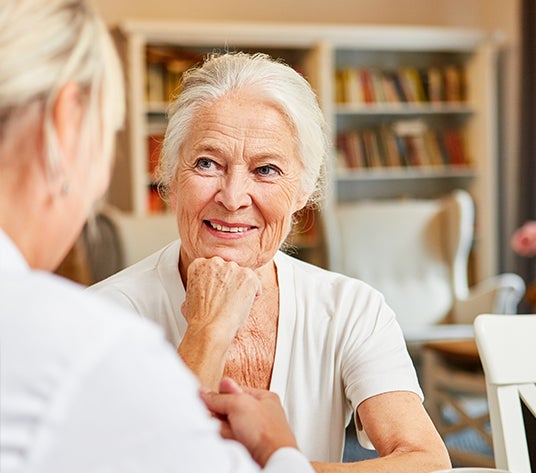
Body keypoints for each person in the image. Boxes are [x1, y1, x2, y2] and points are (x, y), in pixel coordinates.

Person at [89, 51, 451, 472]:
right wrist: (208, 330)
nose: (233, 196)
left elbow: (426, 463)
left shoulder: (352, 309)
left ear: (302, 191)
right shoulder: (103, 316)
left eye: (266, 170)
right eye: (207, 163)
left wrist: (281, 465)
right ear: (170, 173)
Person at [0, 1, 315, 472]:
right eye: (109, 135)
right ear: (66, 125)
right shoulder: (91, 344)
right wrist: (280, 452)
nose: (233, 197)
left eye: (266, 169)